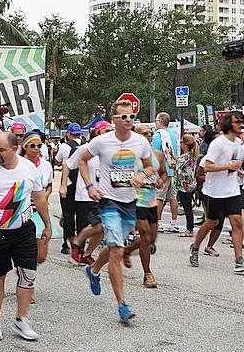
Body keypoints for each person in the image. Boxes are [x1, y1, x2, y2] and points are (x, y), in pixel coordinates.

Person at [77, 100, 154, 322]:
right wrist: (90, 186)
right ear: (114, 120)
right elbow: (82, 161)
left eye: (132, 117)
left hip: (130, 202)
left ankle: (93, 270)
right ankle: (122, 304)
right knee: (118, 251)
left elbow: (150, 166)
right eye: (124, 117)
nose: (129, 120)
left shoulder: (140, 141)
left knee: (114, 247)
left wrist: (142, 175)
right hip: (108, 201)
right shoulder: (102, 142)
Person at [0, 132, 51, 341]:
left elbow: (39, 197)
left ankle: (21, 319)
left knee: (28, 274)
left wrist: (48, 224)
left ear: (14, 149)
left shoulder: (27, 167)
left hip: (23, 231)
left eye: (0, 150)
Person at [189, 113, 244, 274]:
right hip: (214, 191)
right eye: (237, 122)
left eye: (242, 122)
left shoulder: (239, 142)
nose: (241, 124)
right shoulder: (218, 143)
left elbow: (232, 162)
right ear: (228, 123)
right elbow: (208, 167)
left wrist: (238, 171)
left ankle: (239, 261)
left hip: (232, 190)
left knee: (237, 221)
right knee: (211, 223)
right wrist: (229, 167)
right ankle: (196, 247)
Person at [123, 125, 167, 288]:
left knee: (151, 239)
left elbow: (163, 172)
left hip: (151, 201)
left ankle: (127, 250)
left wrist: (161, 181)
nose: (148, 136)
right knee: (146, 237)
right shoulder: (128, 155)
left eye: (150, 133)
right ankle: (147, 274)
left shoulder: (156, 155)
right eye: (144, 133)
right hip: (135, 201)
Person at [63, 120, 111, 266]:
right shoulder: (85, 148)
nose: (110, 134)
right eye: (106, 131)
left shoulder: (111, 151)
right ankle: (76, 241)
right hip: (86, 194)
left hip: (104, 194)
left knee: (102, 228)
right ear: (98, 133)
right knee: (100, 225)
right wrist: (63, 185)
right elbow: (68, 165)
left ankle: (86, 254)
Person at [21, 130, 54, 264]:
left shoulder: (46, 165)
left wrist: (44, 196)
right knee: (24, 254)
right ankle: (25, 274)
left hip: (40, 210)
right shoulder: (19, 164)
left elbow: (50, 185)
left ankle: (25, 271)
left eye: (39, 146)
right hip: (22, 211)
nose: (36, 149)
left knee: (41, 256)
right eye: (32, 146)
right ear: (24, 147)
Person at [55, 123, 84, 254]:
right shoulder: (87, 145)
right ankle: (80, 245)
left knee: (68, 215)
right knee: (82, 216)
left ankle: (67, 244)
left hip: (69, 184)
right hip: (83, 185)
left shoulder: (64, 147)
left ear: (68, 134)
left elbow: (57, 160)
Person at [152, 112, 180, 232]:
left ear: (161, 122)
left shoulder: (159, 135)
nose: (155, 123)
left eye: (156, 121)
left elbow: (155, 153)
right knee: (172, 197)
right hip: (172, 169)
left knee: (159, 197)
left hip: (162, 170)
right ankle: (174, 222)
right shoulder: (172, 135)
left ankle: (158, 222)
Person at [173, 133, 200, 237]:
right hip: (191, 184)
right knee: (188, 207)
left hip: (184, 186)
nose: (180, 144)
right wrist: (173, 156)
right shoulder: (191, 156)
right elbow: (180, 161)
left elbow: (174, 166)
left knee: (187, 208)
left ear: (185, 144)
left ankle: (189, 229)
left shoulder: (185, 157)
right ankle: (190, 228)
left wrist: (167, 155)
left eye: (181, 142)